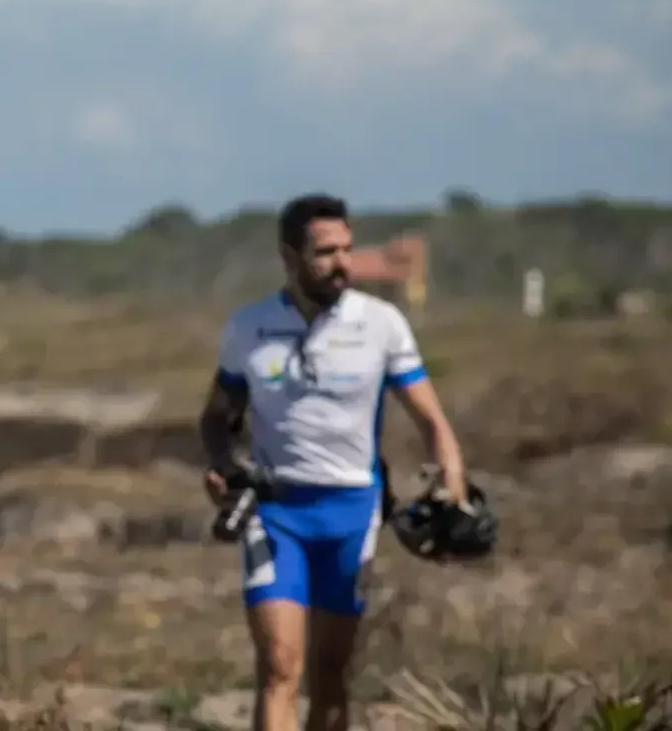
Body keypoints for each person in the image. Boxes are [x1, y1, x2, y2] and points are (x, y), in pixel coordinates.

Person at [195, 193, 475, 731]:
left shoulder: (382, 325)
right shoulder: (249, 328)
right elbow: (215, 418)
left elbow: (433, 422)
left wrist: (453, 482)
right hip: (276, 513)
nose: (342, 262)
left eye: (347, 249)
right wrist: (221, 465)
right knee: (279, 665)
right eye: (325, 252)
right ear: (289, 256)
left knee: (330, 674)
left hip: (353, 513)